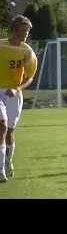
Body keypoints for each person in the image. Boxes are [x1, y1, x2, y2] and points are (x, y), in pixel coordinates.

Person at [0, 15, 38, 182]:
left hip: (15, 94)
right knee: (1, 127)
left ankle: (8, 162)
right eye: (24, 31)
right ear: (14, 30)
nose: (26, 34)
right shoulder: (0, 45)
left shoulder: (27, 51)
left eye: (28, 31)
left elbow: (30, 77)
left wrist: (17, 89)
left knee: (10, 132)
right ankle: (0, 170)